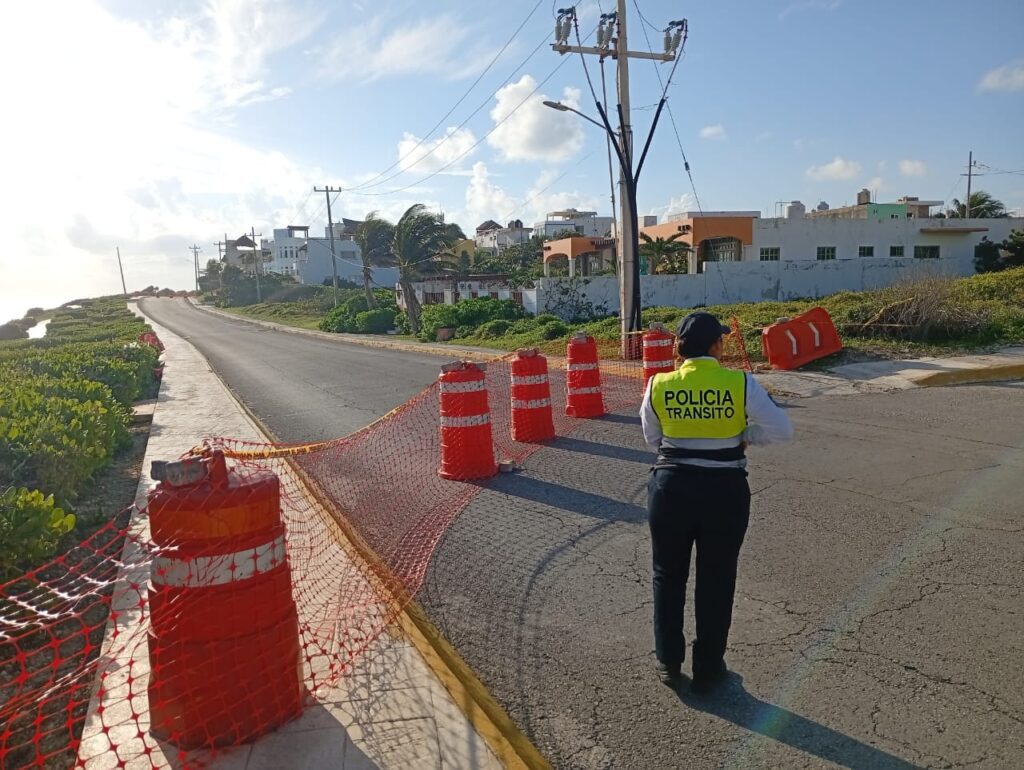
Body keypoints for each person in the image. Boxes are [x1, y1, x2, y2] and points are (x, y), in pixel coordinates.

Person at [640, 311, 793, 692]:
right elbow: (781, 429)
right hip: (724, 489)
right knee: (717, 578)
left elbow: (652, 439)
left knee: (667, 575)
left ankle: (668, 661)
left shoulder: (658, 384)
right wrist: (745, 436)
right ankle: (708, 668)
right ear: (715, 346)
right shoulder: (740, 383)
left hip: (671, 488)